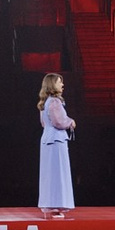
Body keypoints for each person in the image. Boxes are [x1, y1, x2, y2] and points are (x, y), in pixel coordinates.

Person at [37, 73, 76, 216]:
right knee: (58, 173)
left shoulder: (45, 102)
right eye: (60, 82)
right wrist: (71, 122)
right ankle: (58, 203)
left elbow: (44, 123)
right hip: (56, 141)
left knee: (49, 174)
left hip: (48, 140)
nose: (62, 85)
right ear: (53, 85)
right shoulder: (54, 102)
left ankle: (50, 203)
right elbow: (59, 122)